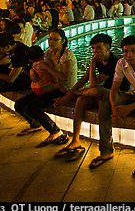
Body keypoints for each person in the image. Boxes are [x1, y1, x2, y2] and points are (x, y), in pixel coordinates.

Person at [89, 35, 135, 175]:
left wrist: (129, 108)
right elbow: (114, 89)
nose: (129, 55)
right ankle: (106, 151)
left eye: (133, 51)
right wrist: (114, 107)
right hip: (132, 94)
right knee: (104, 108)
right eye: (125, 51)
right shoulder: (121, 63)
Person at [53, 33, 128, 161]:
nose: (95, 51)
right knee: (81, 100)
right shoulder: (99, 61)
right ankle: (75, 140)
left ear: (108, 48)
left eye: (99, 48)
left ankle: (106, 150)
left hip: (117, 94)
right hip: (102, 92)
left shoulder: (114, 62)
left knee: (95, 91)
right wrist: (67, 96)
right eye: (93, 48)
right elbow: (83, 79)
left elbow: (93, 84)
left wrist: (92, 63)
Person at [14, 28, 77, 147]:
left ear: (63, 41)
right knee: (19, 104)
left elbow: (64, 78)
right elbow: (39, 67)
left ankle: (55, 131)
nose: (51, 42)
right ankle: (35, 124)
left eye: (55, 40)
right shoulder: (48, 52)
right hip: (49, 86)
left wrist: (48, 70)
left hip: (62, 89)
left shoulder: (66, 56)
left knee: (32, 107)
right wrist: (33, 71)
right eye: (50, 39)